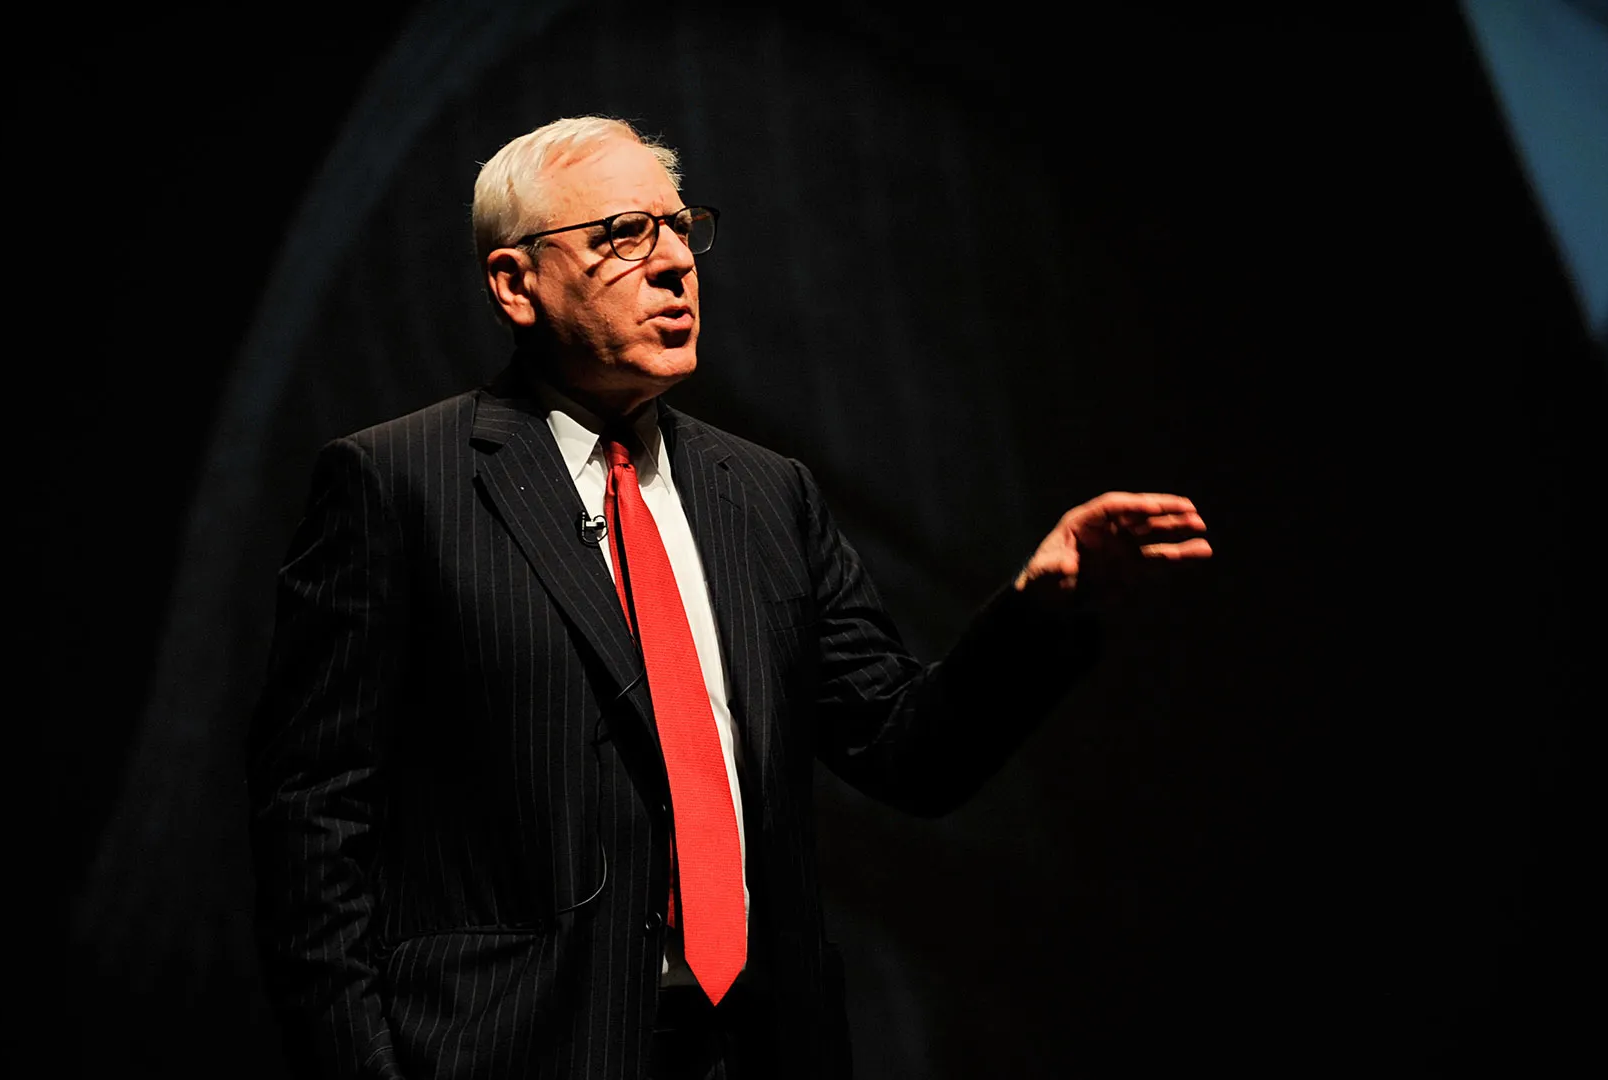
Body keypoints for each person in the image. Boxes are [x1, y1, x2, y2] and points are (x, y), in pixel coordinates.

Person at [246, 115, 1212, 1080]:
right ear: (515, 283)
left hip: (757, 1047)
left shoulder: (763, 493)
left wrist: (1038, 610)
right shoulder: (401, 482)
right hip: (512, 1046)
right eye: (625, 235)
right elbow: (316, 820)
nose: (673, 263)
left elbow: (908, 752)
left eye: (680, 228)